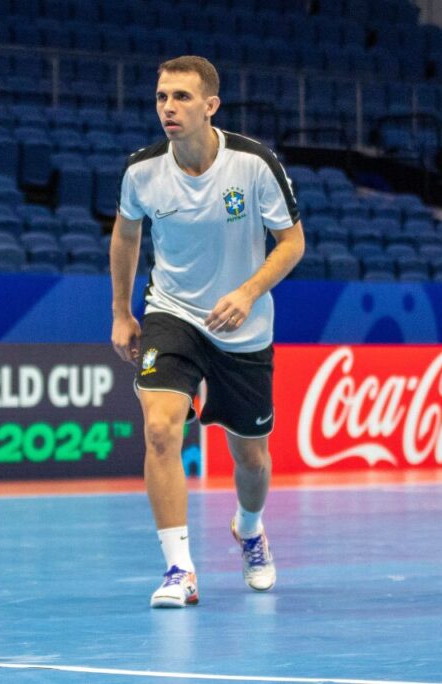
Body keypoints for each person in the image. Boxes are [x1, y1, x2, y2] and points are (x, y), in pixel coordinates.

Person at [109, 55, 305, 608]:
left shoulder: (253, 164)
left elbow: (292, 242)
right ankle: (178, 569)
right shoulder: (142, 170)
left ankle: (249, 529)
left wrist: (248, 292)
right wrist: (123, 313)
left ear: (210, 106)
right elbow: (125, 238)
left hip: (241, 325)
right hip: (172, 312)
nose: (168, 108)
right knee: (161, 431)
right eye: (162, 97)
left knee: (252, 460)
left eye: (182, 98)